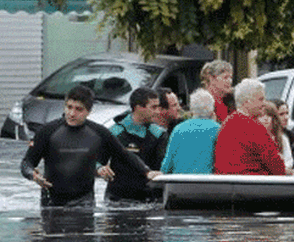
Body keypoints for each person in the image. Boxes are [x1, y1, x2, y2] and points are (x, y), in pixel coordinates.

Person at [21, 85, 156, 207]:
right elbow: (27, 162)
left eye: (78, 109)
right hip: (52, 204)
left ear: (89, 111)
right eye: (69, 107)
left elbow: (124, 154)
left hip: (84, 203)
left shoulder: (99, 132)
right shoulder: (47, 131)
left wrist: (146, 171)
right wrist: (32, 175)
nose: (72, 113)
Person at [105, 87, 168, 202]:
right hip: (116, 198)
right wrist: (101, 167)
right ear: (138, 108)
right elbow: (97, 159)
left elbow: (163, 167)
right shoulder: (114, 131)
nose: (158, 112)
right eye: (153, 107)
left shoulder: (159, 134)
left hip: (148, 198)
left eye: (158, 107)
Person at [214, 78, 286, 175]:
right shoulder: (254, 127)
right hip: (252, 182)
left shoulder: (226, 124)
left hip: (226, 181)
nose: (264, 103)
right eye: (261, 99)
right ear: (247, 102)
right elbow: (277, 168)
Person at [160, 88, 221, 174]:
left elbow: (166, 165)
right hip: (207, 180)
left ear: (192, 108)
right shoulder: (218, 129)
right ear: (212, 109)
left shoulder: (178, 129)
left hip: (179, 180)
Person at [258, 100, 293, 171]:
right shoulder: (254, 138)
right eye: (261, 116)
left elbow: (289, 160)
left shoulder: (282, 138)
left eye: (269, 115)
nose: (265, 118)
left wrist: (283, 166)